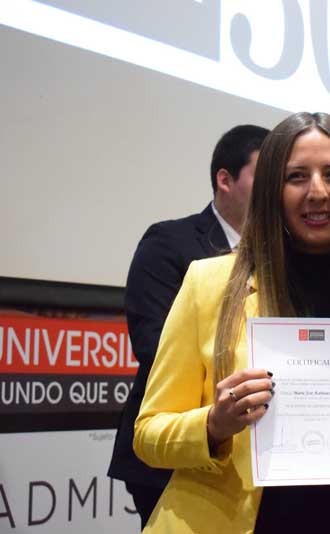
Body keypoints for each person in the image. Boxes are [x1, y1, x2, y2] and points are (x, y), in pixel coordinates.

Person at [133, 112, 330, 533]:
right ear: (270, 191)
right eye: (296, 177)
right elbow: (148, 435)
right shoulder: (208, 284)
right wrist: (214, 425)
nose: (317, 192)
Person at [108, 124, 269, 528]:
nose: (275, 188)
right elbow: (153, 344)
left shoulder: (280, 257)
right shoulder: (169, 242)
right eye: (263, 175)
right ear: (225, 180)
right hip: (170, 456)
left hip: (252, 461)